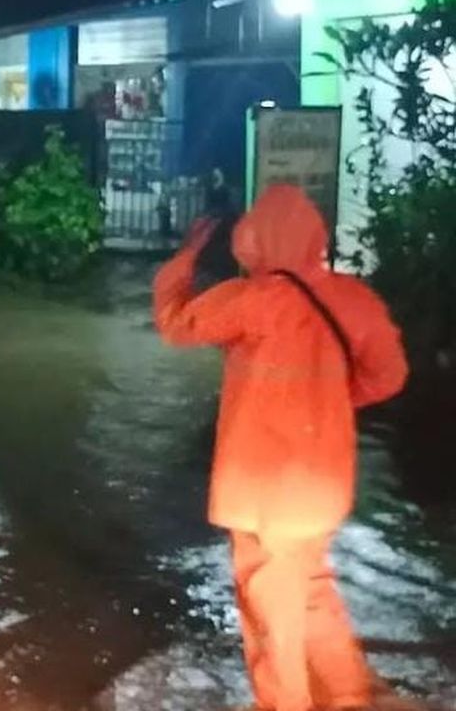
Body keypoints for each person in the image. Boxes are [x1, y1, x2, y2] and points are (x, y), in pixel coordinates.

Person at [153, 185, 409, 711]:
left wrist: (183, 260)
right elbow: (390, 376)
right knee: (311, 587)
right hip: (322, 486)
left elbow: (177, 325)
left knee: (269, 607)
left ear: (255, 241)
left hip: (262, 489)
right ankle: (347, 693)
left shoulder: (252, 301)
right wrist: (332, 403)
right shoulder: (354, 300)